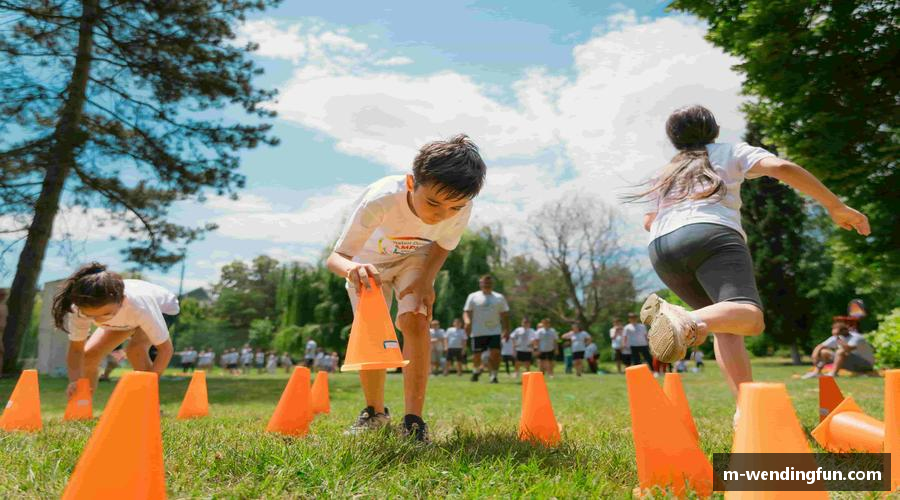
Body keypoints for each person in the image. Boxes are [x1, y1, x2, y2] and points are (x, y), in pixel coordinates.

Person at [630, 105, 869, 403]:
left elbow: (648, 222)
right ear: (714, 130)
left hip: (662, 248)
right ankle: (683, 320)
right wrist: (836, 206)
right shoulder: (729, 151)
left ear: (674, 140)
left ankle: (746, 411)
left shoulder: (665, 172)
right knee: (750, 317)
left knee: (726, 326)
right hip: (710, 234)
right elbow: (781, 168)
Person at [325, 134, 485, 442]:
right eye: (433, 203)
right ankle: (374, 412)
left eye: (454, 207)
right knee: (372, 328)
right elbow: (336, 258)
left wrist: (425, 281)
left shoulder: (460, 209)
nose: (441, 214)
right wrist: (353, 270)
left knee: (415, 318)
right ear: (412, 183)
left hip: (415, 259)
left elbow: (443, 244)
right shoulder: (381, 200)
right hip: (367, 267)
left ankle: (414, 421)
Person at [53, 262, 179, 398]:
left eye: (105, 314)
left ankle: (149, 404)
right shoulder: (79, 310)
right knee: (89, 356)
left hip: (164, 308)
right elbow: (76, 350)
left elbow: (165, 350)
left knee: (135, 350)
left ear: (122, 300)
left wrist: (149, 384)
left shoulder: (139, 306)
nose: (99, 320)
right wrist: (75, 381)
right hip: (125, 318)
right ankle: (82, 404)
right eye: (90, 316)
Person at [464, 275, 510, 384]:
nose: (486, 285)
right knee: (477, 355)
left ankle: (493, 375)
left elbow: (505, 315)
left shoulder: (499, 297)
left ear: (492, 284)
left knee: (495, 353)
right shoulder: (473, 296)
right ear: (480, 284)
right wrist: (467, 321)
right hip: (478, 331)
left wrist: (506, 329)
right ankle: (475, 371)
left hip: (494, 330)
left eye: (488, 283)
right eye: (484, 283)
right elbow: (466, 311)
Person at [804, 321, 875, 378]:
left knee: (840, 351)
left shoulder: (857, 337)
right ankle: (816, 372)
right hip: (851, 363)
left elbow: (848, 349)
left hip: (865, 364)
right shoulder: (837, 337)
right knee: (824, 352)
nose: (835, 336)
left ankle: (833, 373)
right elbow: (820, 346)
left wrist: (839, 340)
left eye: (837, 333)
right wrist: (814, 356)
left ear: (844, 331)